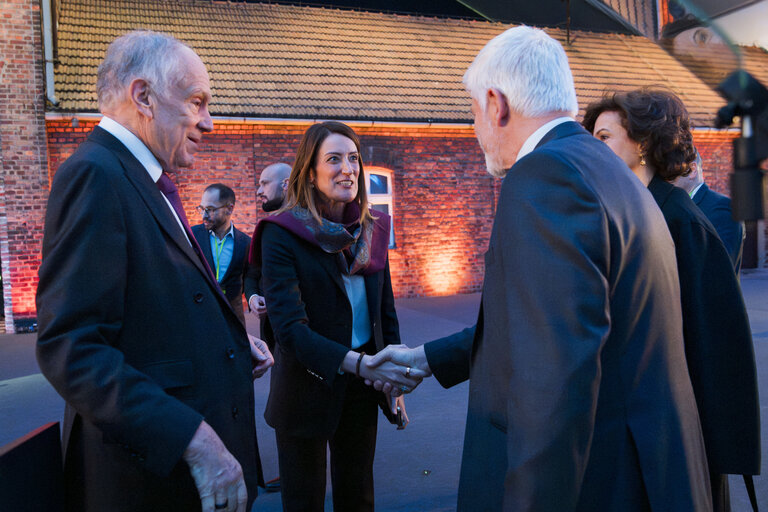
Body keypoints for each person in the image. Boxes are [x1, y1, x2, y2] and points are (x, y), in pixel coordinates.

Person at [368, 26, 711, 511]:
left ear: (495, 103)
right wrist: (425, 358)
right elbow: (556, 322)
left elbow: (555, 381)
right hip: (643, 472)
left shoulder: (544, 176)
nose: (475, 129)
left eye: (472, 112)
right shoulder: (605, 167)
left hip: (601, 483)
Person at [35, 31, 273, 512]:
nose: (208, 121)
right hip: (147, 483)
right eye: (197, 102)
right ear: (143, 96)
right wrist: (193, 438)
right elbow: (71, 347)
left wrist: (224, 344)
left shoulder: (140, 176)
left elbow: (152, 307)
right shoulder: (96, 174)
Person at [583, 88, 759, 512]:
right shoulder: (634, 210)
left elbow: (714, 347)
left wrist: (706, 453)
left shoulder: (682, 221)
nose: (591, 147)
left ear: (643, 143)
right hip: (637, 431)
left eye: (603, 136)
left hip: (676, 440)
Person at [250, 121, 424, 511]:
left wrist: (391, 377)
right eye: (333, 159)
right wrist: (365, 366)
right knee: (304, 500)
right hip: (305, 386)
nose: (348, 168)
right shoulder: (282, 232)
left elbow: (385, 312)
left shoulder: (372, 230)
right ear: (309, 173)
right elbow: (290, 331)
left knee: (358, 496)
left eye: (354, 159)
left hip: (362, 388)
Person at [674, 150, 745, 273]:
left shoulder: (723, 207)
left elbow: (721, 268)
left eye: (669, 169)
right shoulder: (678, 204)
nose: (663, 176)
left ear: (692, 170)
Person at [192, 183, 251, 325]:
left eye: (210, 209)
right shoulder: (191, 236)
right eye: (202, 209)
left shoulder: (246, 243)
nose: (204, 215)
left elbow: (249, 279)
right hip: (199, 317)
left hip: (234, 319)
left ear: (229, 209)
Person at [244, 162, 292, 335]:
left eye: (264, 183)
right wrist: (253, 297)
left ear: (286, 184)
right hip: (270, 333)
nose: (258, 191)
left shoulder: (310, 227)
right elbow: (252, 275)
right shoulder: (266, 228)